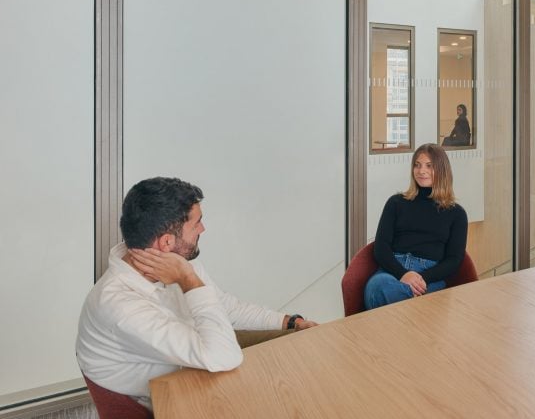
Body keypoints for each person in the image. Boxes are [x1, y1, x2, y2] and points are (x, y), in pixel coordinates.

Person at [76, 177, 317, 410]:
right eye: (196, 223)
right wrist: (189, 280)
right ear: (167, 242)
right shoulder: (119, 306)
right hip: (167, 395)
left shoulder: (172, 260)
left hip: (192, 357)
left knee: (301, 350)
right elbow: (222, 356)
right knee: (284, 393)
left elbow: (225, 307)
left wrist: (289, 323)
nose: (203, 228)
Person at [365, 143, 468, 309]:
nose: (421, 171)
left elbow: (454, 260)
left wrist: (421, 278)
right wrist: (403, 274)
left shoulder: (457, 213)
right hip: (392, 271)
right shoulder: (396, 203)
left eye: (429, 166)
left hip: (429, 276)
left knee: (393, 295)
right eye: (417, 165)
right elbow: (381, 247)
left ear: (442, 170)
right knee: (378, 288)